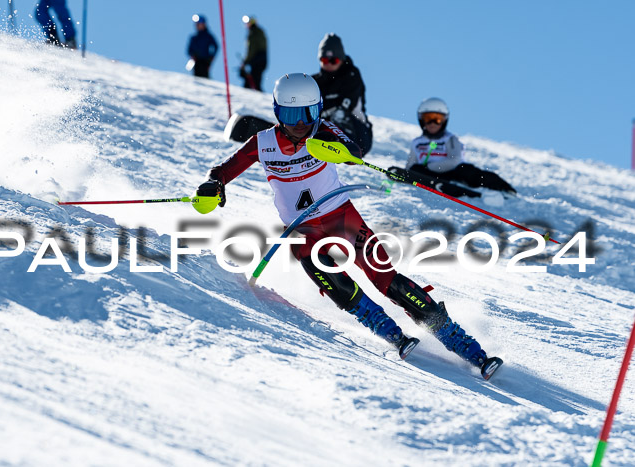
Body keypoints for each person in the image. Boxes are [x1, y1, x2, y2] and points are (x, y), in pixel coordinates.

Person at [195, 73, 502, 380]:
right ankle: (384, 327)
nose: (301, 124)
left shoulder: (323, 130)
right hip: (303, 232)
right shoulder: (262, 144)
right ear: (277, 112)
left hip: (342, 218)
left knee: (386, 278)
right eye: (291, 115)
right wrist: (214, 184)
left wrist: (340, 151)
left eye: (308, 114)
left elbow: (352, 151)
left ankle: (460, 341)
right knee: (332, 279)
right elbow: (222, 170)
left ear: (317, 110)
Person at [390, 98, 516, 197]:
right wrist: (407, 174)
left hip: (452, 172)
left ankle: (503, 188)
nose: (432, 124)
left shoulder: (450, 139)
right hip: (429, 174)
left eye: (437, 119)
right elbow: (410, 165)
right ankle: (432, 183)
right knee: (415, 168)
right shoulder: (417, 143)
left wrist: (435, 166)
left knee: (467, 170)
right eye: (428, 119)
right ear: (421, 120)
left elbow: (455, 159)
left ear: (444, 120)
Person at [313, 33, 373, 156]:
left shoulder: (351, 75)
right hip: (325, 128)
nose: (328, 64)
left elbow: (346, 104)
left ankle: (344, 146)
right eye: (324, 60)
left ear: (341, 59)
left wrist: (322, 111)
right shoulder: (315, 81)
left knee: (339, 113)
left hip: (358, 135)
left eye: (333, 60)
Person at [239, 16, 267, 91]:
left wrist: (245, 62)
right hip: (262, 59)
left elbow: (251, 49)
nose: (246, 25)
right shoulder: (260, 32)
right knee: (255, 81)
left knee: (252, 82)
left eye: (248, 23)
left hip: (257, 60)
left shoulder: (253, 34)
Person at [186, 15, 219, 79]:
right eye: (196, 24)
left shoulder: (208, 36)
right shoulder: (194, 37)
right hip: (196, 62)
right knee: (197, 78)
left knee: (204, 78)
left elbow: (216, 46)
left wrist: (211, 57)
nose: (197, 25)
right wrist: (192, 55)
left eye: (199, 24)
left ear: (204, 24)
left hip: (205, 61)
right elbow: (189, 50)